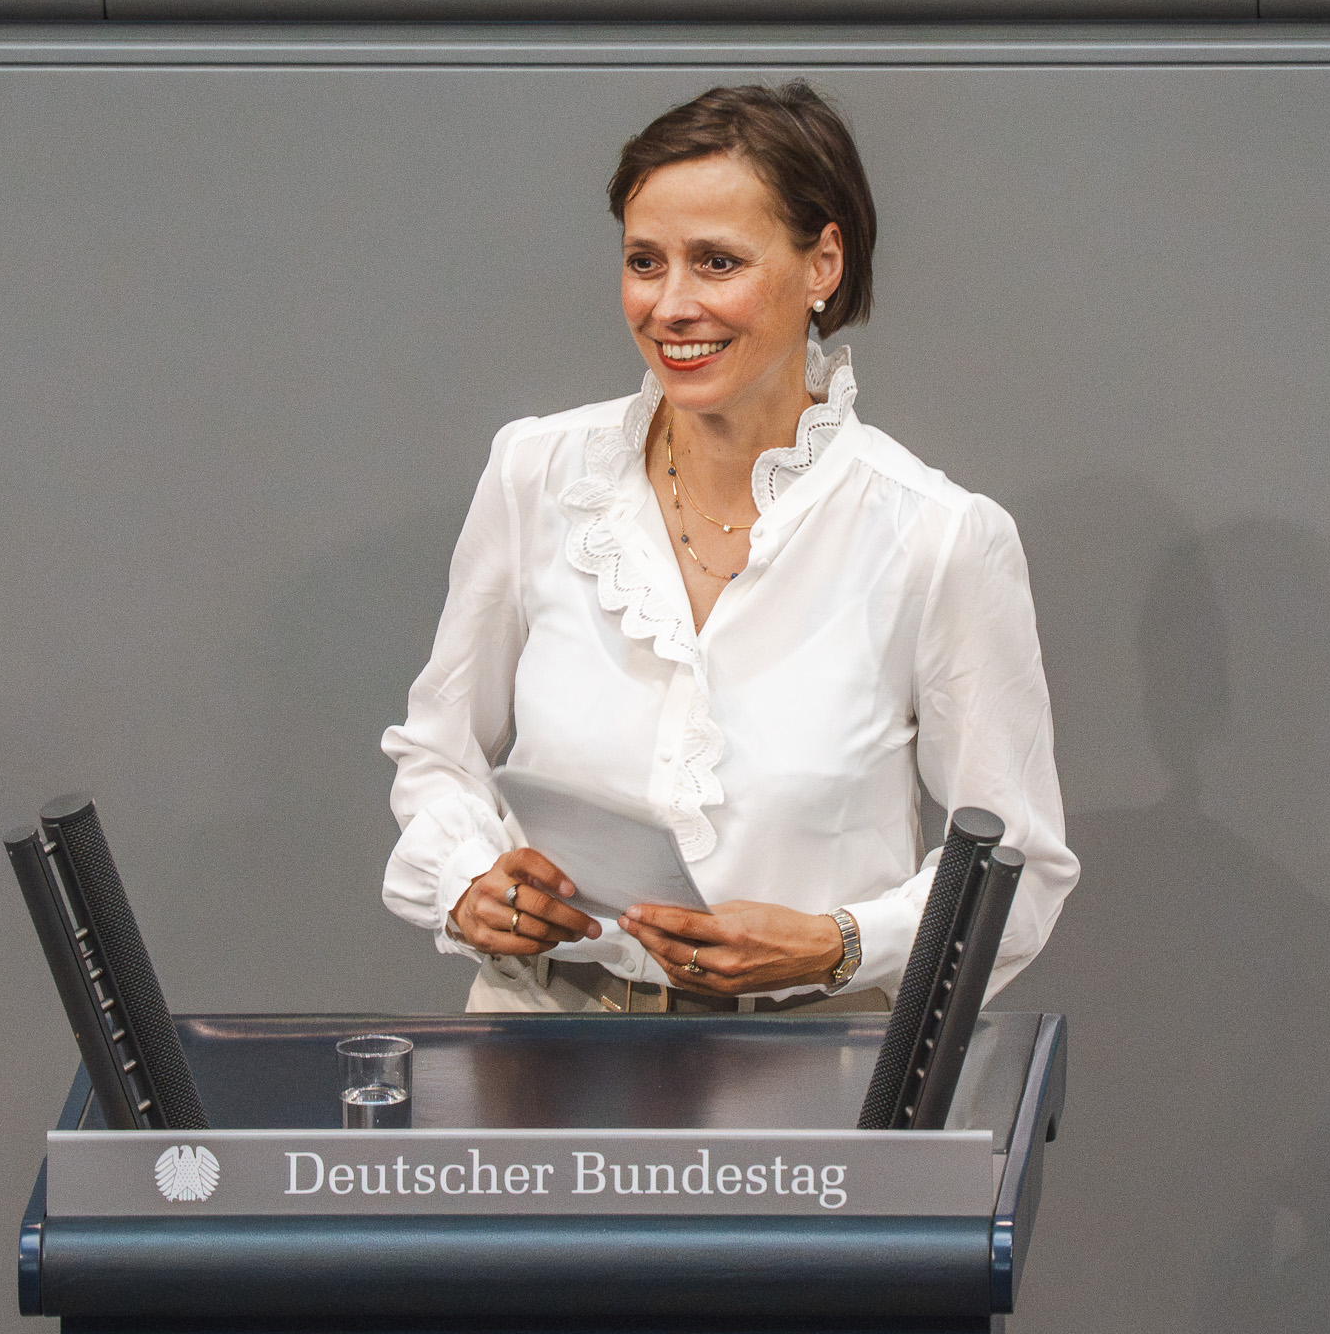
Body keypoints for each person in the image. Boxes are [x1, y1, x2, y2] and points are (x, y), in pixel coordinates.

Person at [382, 82, 1077, 1014]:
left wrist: (837, 944)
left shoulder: (939, 537)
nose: (671, 305)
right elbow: (436, 753)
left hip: (805, 1064)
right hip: (537, 1040)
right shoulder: (535, 472)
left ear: (822, 262)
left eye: (716, 262)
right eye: (644, 261)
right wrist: (468, 878)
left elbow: (1017, 874)